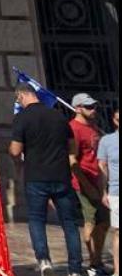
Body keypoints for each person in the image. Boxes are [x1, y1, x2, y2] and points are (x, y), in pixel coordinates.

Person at [11, 82, 84, 276]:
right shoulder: (59, 115)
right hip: (61, 176)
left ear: (22, 96)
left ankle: (44, 261)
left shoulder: (22, 118)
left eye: (18, 98)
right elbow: (73, 147)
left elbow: (15, 150)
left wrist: (17, 160)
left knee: (36, 220)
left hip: (36, 177)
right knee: (69, 224)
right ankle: (75, 269)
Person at [69, 94, 110, 275]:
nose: (93, 109)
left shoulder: (93, 128)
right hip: (84, 183)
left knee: (104, 221)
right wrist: (87, 186)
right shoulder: (73, 129)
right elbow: (72, 160)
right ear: (77, 108)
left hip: (99, 180)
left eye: (94, 106)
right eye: (88, 107)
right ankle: (94, 263)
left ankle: (97, 260)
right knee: (91, 221)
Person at [97, 110, 118, 276]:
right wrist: (103, 192)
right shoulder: (106, 141)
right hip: (116, 191)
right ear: (115, 120)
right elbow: (102, 168)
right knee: (118, 231)